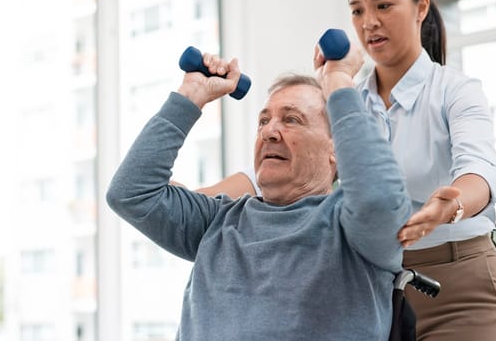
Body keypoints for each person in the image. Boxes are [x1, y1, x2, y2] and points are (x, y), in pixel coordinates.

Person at [195, 0, 496, 341]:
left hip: (457, 283)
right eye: (357, 11)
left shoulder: (454, 91)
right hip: (372, 280)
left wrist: (451, 205)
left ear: (421, 8)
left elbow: (484, 169)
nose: (369, 23)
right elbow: (292, 167)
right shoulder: (344, 98)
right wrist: (197, 202)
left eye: (383, 6)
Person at [105, 43, 433, 340]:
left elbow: (378, 198)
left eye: (291, 119)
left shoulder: (353, 229)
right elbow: (131, 193)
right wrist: (191, 95)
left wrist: (337, 82)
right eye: (264, 121)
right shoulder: (217, 220)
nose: (270, 131)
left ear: (336, 147)